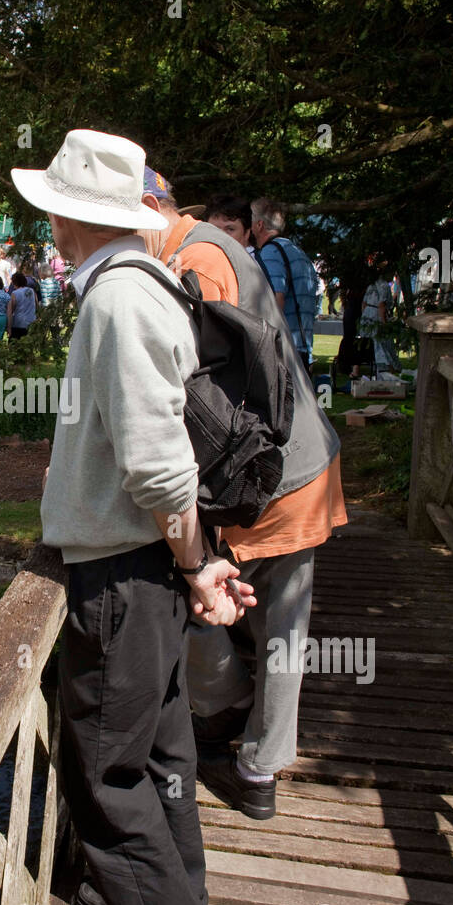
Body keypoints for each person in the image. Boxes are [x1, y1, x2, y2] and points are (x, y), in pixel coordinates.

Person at [13, 129, 255, 905]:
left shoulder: (118, 300)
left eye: (52, 208)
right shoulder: (141, 289)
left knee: (107, 773)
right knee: (159, 760)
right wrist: (194, 564)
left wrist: (197, 566)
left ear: (74, 215)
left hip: (121, 575)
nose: (46, 222)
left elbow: (157, 466)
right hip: (140, 569)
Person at [138, 165, 346, 819]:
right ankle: (259, 770)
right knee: (281, 627)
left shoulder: (196, 258)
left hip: (262, 475)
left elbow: (202, 390)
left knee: (202, 593)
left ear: (149, 206)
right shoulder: (210, 246)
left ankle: (225, 712)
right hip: (294, 463)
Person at [250, 199, 319, 371]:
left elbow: (276, 300)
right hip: (301, 346)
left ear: (259, 225)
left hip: (284, 351)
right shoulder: (295, 251)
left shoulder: (270, 252)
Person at [360, 266, 401, 374]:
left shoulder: (371, 285)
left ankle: (385, 367)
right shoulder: (384, 286)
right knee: (383, 344)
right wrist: (384, 323)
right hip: (377, 315)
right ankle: (388, 368)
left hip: (367, 315)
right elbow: (381, 305)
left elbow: (363, 304)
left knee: (373, 343)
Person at [7, 270, 38, 339]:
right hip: (31, 321)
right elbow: (37, 305)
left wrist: (9, 327)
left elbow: (10, 312)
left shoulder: (14, 294)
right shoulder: (32, 291)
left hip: (18, 323)